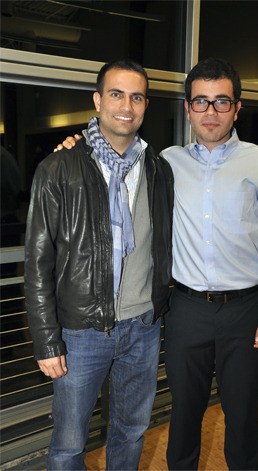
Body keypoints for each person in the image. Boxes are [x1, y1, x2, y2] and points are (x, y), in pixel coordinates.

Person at [57, 57, 258, 471]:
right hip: (185, 311)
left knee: (243, 417)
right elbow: (113, 153)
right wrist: (74, 145)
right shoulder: (164, 162)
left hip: (247, 312)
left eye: (221, 102)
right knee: (183, 414)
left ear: (237, 108)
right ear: (187, 107)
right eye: (200, 102)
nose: (210, 112)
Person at [24, 59, 173, 471]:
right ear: (97, 100)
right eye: (116, 94)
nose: (127, 105)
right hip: (80, 332)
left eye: (137, 96)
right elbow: (38, 262)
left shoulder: (159, 169)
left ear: (146, 105)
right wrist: (46, 339)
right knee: (69, 446)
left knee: (130, 432)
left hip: (142, 328)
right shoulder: (60, 167)